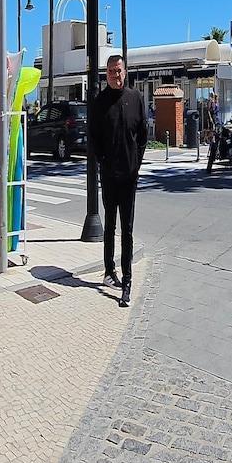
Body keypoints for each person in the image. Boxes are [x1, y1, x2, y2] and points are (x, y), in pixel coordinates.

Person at [88, 53, 148, 307]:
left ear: (125, 72)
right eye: (111, 71)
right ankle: (109, 270)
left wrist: (136, 163)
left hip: (129, 175)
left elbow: (143, 135)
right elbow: (94, 138)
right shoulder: (100, 102)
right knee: (110, 225)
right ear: (106, 74)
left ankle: (127, 280)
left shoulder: (136, 98)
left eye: (119, 71)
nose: (116, 75)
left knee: (128, 229)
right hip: (109, 175)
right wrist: (103, 162)